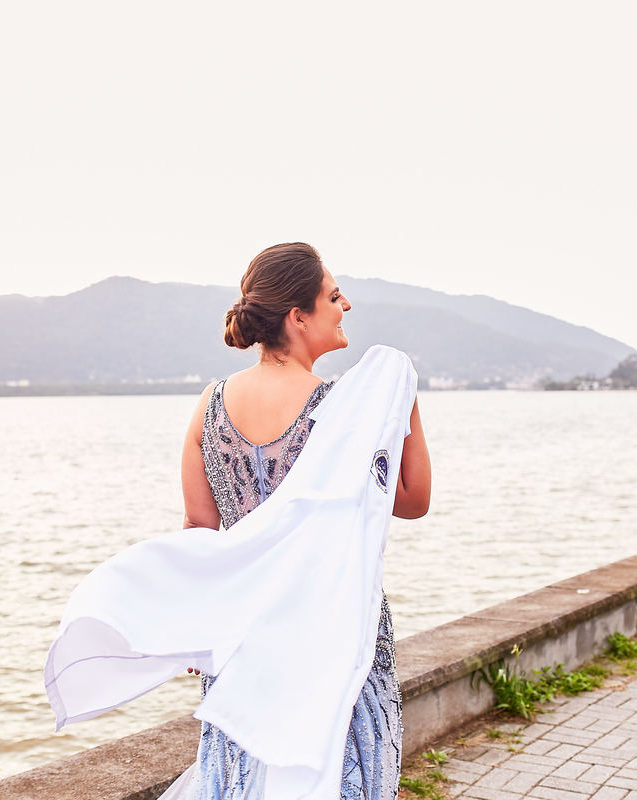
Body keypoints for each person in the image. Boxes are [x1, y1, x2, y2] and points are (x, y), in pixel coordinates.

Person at [168, 241, 431, 800]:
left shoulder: (210, 403)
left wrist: (199, 625)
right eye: (334, 297)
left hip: (243, 635)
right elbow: (412, 499)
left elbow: (199, 527)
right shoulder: (345, 410)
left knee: (242, 780)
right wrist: (403, 400)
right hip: (333, 634)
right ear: (298, 317)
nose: (346, 306)